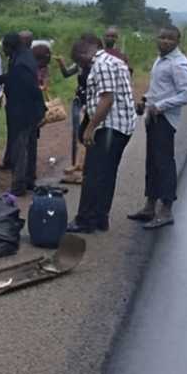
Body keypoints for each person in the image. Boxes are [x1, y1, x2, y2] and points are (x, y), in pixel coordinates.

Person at [127, 25, 187, 229]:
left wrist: (160, 106)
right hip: (153, 116)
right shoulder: (161, 59)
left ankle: (166, 210)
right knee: (152, 162)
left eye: (170, 39)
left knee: (164, 164)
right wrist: (146, 100)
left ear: (178, 41)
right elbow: (160, 88)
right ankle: (150, 206)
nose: (165, 41)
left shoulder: (178, 63)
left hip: (165, 120)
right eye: (162, 37)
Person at [66, 37, 137, 233]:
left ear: (83, 55)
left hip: (109, 128)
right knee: (107, 174)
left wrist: (90, 128)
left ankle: (85, 220)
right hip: (122, 126)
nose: (82, 66)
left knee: (93, 174)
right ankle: (100, 217)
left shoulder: (101, 65)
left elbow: (107, 99)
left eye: (80, 62)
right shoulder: (115, 61)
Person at [0, 34, 47, 195]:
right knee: (29, 145)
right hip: (30, 109)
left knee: (20, 148)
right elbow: (10, 78)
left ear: (10, 47)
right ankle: (29, 180)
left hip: (23, 110)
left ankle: (18, 186)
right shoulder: (24, 56)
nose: (4, 51)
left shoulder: (21, 62)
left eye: (5, 48)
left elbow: (27, 85)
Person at [56, 33, 103, 176]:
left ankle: (84, 165)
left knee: (87, 133)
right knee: (77, 134)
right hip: (78, 100)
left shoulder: (98, 64)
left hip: (90, 102)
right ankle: (77, 164)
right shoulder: (81, 63)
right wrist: (61, 62)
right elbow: (66, 73)